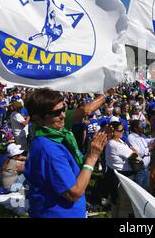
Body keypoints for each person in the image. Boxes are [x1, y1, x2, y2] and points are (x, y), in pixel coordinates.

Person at [24, 88, 108, 218]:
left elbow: (71, 167)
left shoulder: (57, 136)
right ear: (38, 119)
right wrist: (92, 157)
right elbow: (73, 193)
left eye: (63, 108)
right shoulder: (49, 149)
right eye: (57, 112)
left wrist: (91, 152)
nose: (63, 115)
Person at [105, 121, 138, 218]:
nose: (123, 131)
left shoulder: (118, 142)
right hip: (121, 178)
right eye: (121, 130)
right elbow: (134, 156)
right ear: (114, 132)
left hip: (118, 176)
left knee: (117, 204)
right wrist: (134, 151)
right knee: (124, 206)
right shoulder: (115, 144)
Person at [127, 119, 155, 190]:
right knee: (138, 190)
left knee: (145, 189)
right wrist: (149, 148)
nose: (143, 127)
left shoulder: (142, 136)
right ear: (135, 128)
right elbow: (138, 153)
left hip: (146, 168)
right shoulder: (131, 137)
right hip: (139, 169)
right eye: (141, 125)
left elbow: (149, 141)